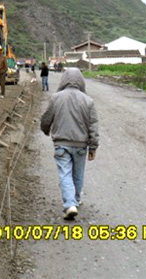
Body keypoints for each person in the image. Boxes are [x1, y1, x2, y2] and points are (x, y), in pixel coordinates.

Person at [40, 68, 99, 220]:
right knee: (78, 174)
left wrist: (46, 130)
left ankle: (69, 205)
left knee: (65, 174)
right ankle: (76, 200)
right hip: (81, 144)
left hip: (61, 143)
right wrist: (93, 147)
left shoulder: (56, 97)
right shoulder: (88, 100)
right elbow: (93, 125)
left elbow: (47, 118)